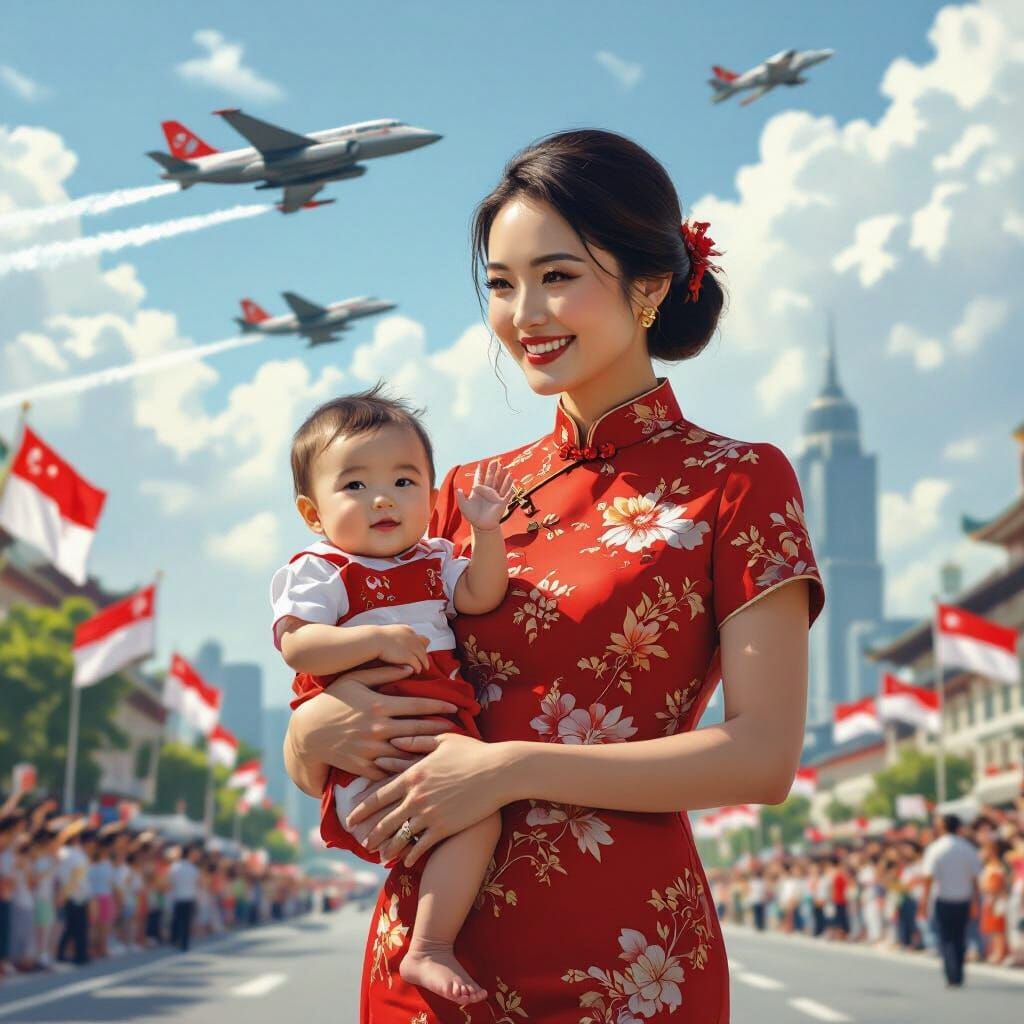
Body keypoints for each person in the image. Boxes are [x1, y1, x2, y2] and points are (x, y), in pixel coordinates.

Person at [282, 128, 824, 1022]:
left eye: (559, 275)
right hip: (430, 954)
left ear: (650, 286)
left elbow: (764, 757)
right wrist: (307, 746)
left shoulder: (737, 481)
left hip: (625, 961)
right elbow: (358, 698)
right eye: (501, 284)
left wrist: (503, 771)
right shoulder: (460, 492)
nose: (524, 313)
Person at [271, 389, 513, 1005]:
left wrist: (487, 533)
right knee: (472, 816)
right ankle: (428, 948)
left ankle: (429, 945)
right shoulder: (323, 570)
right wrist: (372, 639)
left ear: (431, 499)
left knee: (477, 816)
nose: (383, 498)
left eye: (405, 481)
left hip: (439, 740)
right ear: (312, 511)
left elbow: (482, 597)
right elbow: (298, 647)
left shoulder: (435, 558)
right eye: (354, 486)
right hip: (374, 753)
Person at [919, 813, 982, 988]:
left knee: (946, 938)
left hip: (944, 898)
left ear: (942, 827)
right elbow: (976, 879)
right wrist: (976, 901)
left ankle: (951, 974)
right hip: (963, 898)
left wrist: (924, 902)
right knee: (960, 936)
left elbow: (928, 878)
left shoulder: (936, 848)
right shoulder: (968, 848)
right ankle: (959, 973)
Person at [168, 844, 200, 952]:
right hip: (188, 898)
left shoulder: (175, 867)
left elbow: (170, 883)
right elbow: (197, 884)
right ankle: (184, 943)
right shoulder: (193, 868)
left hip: (178, 898)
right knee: (185, 922)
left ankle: (176, 939)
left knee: (178, 920)